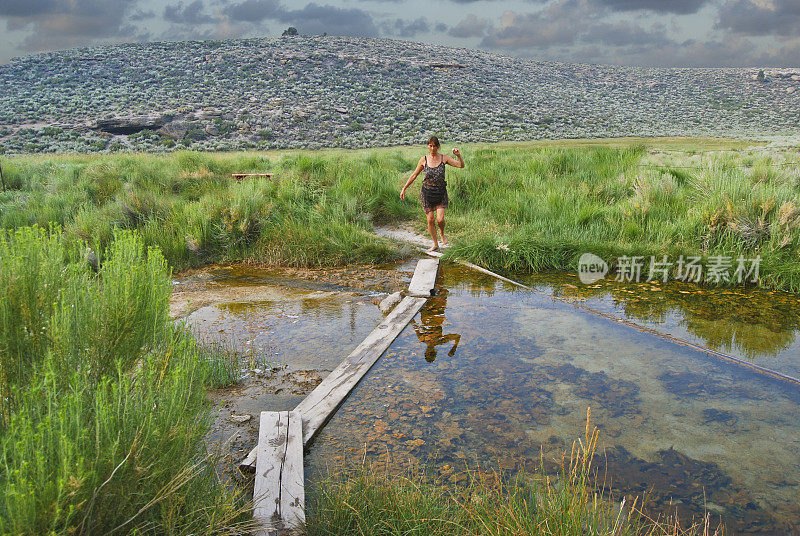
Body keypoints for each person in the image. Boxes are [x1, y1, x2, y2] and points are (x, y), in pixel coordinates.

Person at [400, 136, 464, 253]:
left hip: (440, 193)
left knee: (440, 220)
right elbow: (414, 175)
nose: (433, 148)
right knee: (430, 220)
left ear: (438, 146)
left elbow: (460, 165)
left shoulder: (444, 158)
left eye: (435, 146)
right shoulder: (423, 160)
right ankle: (435, 244)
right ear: (428, 146)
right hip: (427, 193)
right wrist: (404, 188)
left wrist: (458, 155)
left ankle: (442, 233)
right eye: (430, 146)